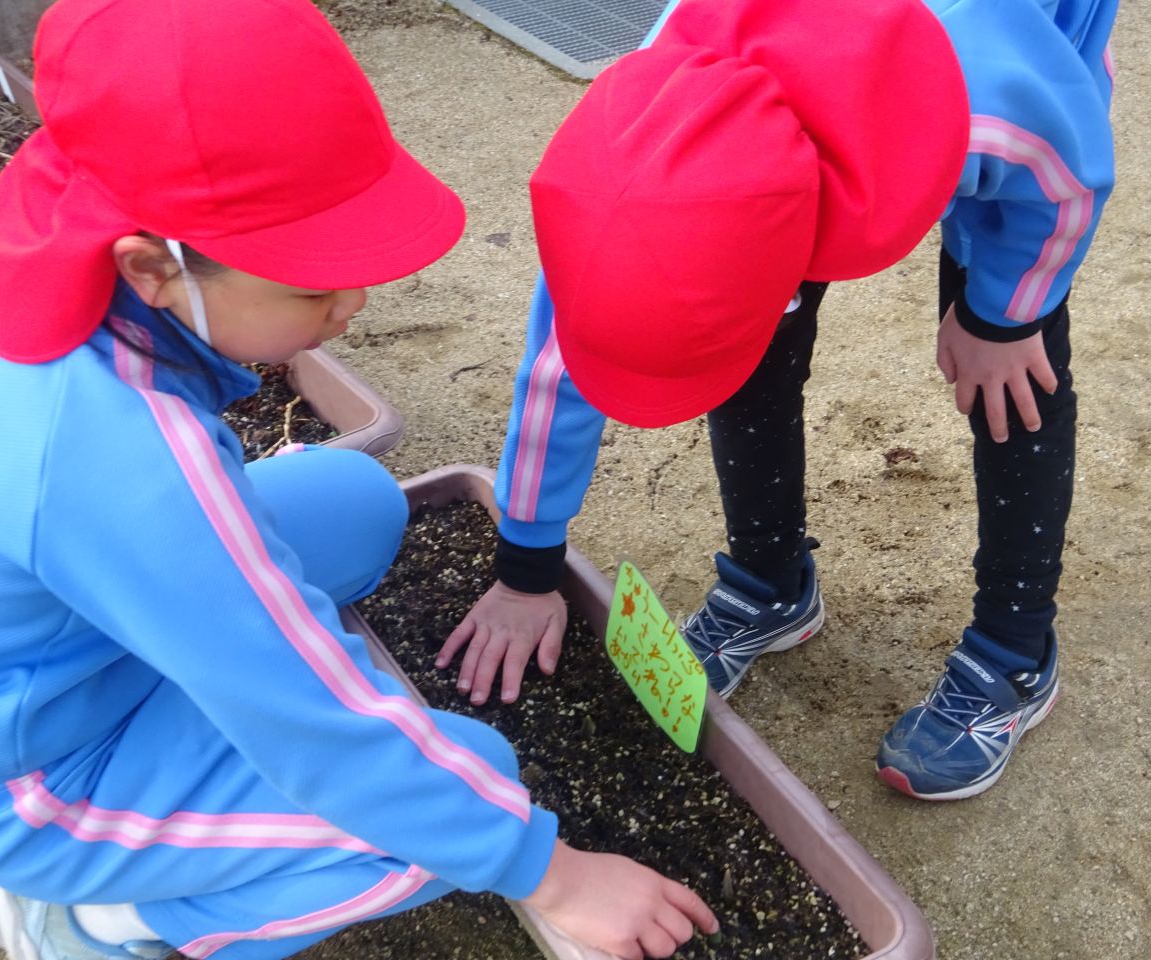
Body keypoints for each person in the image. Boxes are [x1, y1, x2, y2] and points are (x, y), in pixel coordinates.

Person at [0, 1, 718, 958]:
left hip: (65, 643)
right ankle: (104, 921)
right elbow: (303, 718)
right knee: (467, 794)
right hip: (38, 770)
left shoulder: (45, 251)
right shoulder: (120, 454)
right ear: (150, 267)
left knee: (357, 502)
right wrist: (553, 872)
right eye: (311, 284)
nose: (354, 303)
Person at [441, 0, 1117, 801]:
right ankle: (769, 583)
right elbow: (568, 354)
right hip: (790, 134)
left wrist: (1003, 314)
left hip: (1017, 91)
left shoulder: (986, 104)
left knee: (1012, 378)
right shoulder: (634, 149)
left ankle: (1015, 652)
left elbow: (1067, 177)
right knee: (752, 357)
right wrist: (526, 569)